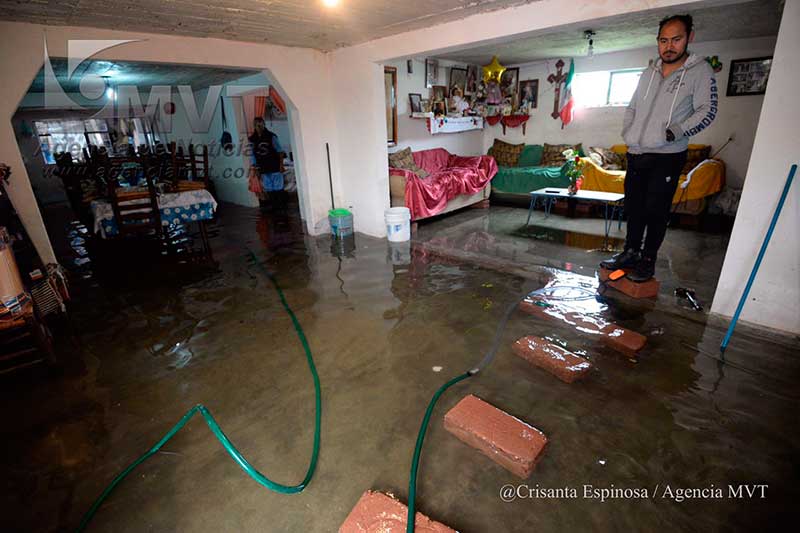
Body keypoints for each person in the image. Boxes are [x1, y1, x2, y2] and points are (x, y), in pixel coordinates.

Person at [601, 14, 718, 281]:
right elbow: (632, 107)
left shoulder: (700, 71)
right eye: (664, 40)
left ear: (689, 37)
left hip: (667, 155)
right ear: (657, 41)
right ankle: (630, 252)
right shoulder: (648, 72)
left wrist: (674, 132)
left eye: (676, 39)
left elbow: (707, 111)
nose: (669, 46)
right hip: (637, 153)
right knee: (633, 208)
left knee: (656, 211)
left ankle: (648, 260)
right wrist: (629, 133)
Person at [248, 117, 286, 209]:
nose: (259, 127)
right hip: (263, 168)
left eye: (260, 124)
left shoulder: (271, 136)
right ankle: (274, 208)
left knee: (278, 188)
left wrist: (281, 165)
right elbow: (252, 155)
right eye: (257, 125)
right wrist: (255, 168)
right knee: (269, 189)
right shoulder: (252, 139)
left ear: (264, 124)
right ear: (254, 126)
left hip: (275, 166)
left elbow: (280, 152)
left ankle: (281, 208)